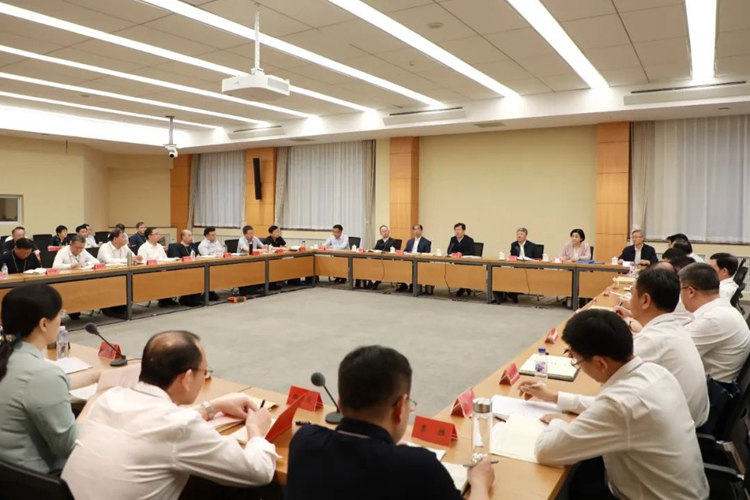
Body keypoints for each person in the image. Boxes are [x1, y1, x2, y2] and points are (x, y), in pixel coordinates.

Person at [62, 330, 278, 500]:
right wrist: (256, 431)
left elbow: (152, 427)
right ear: (186, 378)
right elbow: (257, 471)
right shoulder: (180, 426)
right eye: (204, 371)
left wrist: (211, 407)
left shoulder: (111, 398)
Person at [519, 309, 708, 500]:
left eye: (576, 360)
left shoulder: (620, 405)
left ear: (601, 363)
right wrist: (555, 397)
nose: (578, 365)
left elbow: (546, 452)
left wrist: (559, 422)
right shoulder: (656, 372)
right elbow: (607, 406)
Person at [286, 345, 495, 500]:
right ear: (400, 407)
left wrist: (388, 448)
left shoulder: (305, 441)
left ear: (340, 404)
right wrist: (479, 483)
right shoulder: (418, 468)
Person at [0, 284, 101, 473]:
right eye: (60, 313)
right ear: (44, 324)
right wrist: (94, 401)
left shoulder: (9, 355)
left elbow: (45, 385)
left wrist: (96, 376)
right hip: (36, 479)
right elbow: (69, 445)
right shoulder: (42, 374)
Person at [614, 266, 709, 427]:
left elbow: (610, 375)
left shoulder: (652, 340)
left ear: (645, 300)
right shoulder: (673, 326)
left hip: (673, 426)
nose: (630, 301)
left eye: (631, 295)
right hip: (688, 419)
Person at [679, 263, 750, 383]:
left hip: (711, 388)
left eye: (679, 290)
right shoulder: (721, 310)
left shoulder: (712, 319)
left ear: (690, 291)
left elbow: (673, 355)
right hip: (716, 383)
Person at [447, 223, 475, 297]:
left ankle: (463, 287)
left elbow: (472, 252)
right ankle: (465, 286)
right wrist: (455, 254)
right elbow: (449, 251)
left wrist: (462, 254)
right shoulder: (453, 239)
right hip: (457, 262)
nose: (457, 232)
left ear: (464, 231)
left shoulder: (469, 240)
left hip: (467, 263)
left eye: (459, 230)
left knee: (463, 269)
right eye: (455, 230)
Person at [401, 225, 432, 293]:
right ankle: (403, 284)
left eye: (418, 229)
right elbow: (406, 251)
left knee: (415, 267)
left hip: (420, 261)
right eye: (414, 229)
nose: (416, 231)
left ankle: (413, 285)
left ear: (421, 230)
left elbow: (427, 254)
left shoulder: (426, 242)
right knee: (401, 265)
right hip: (410, 260)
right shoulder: (410, 241)